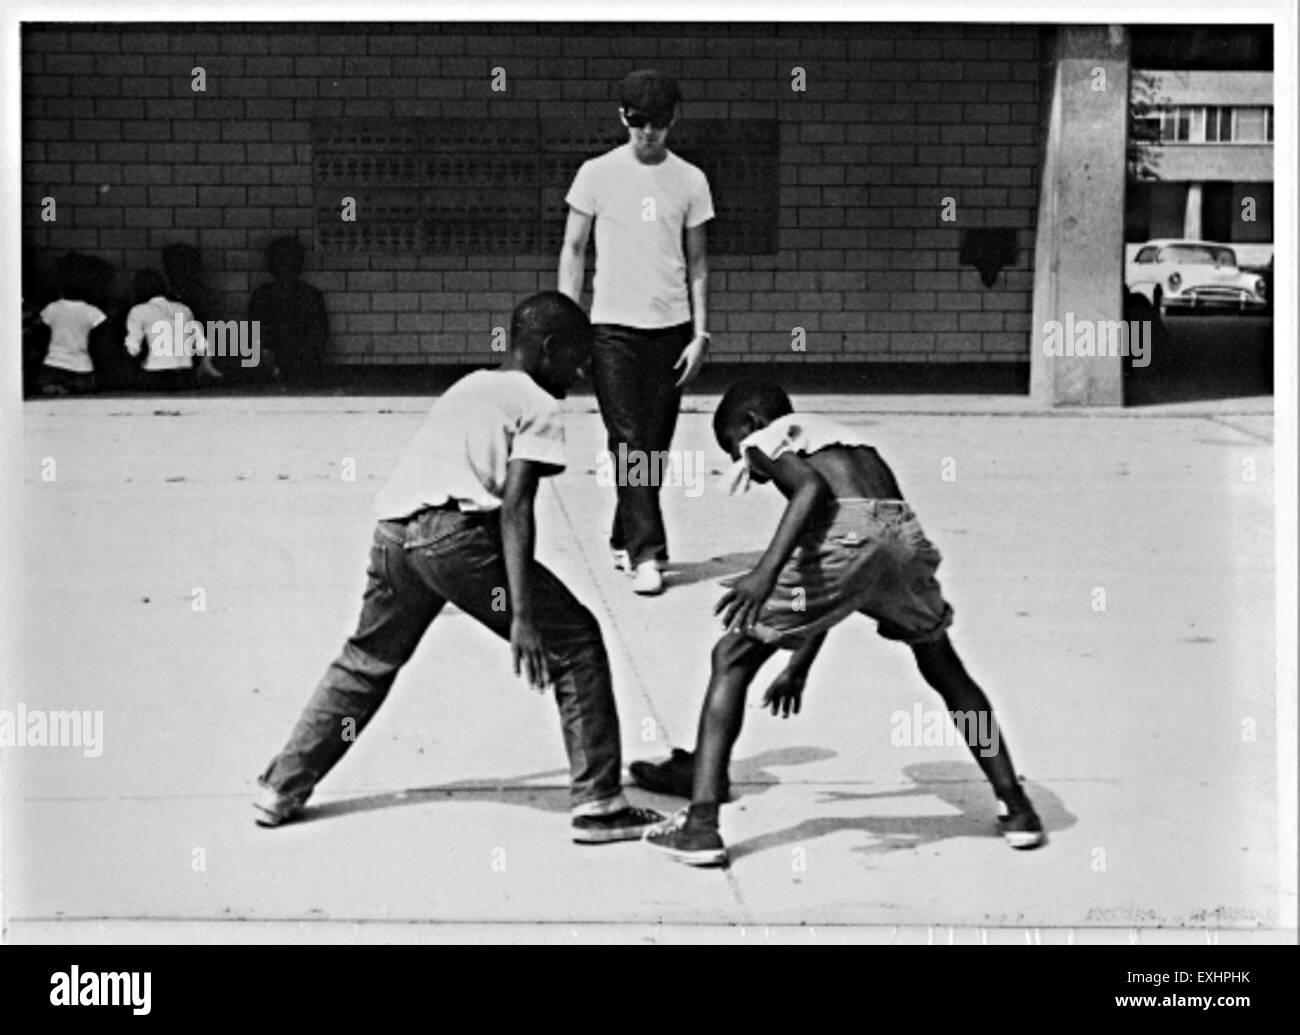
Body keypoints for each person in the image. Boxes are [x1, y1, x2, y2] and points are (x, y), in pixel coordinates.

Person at [254, 292, 664, 845]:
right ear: (547, 349)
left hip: (395, 537)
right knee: (577, 641)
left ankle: (280, 787)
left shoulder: (470, 386)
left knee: (367, 660)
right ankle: (598, 804)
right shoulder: (538, 402)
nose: (582, 370)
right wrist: (522, 615)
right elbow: (517, 506)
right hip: (455, 541)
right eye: (575, 356)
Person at [636, 379, 1046, 865]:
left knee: (731, 656)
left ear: (748, 424)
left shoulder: (767, 436)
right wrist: (799, 666)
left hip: (854, 535)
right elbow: (844, 574)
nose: (739, 463)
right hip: (904, 535)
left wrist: (764, 574)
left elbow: (816, 504)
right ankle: (1016, 807)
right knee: (944, 669)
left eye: (731, 448)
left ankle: (702, 822)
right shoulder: (845, 442)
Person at [558, 69, 714, 596]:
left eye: (660, 123)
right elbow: (574, 250)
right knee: (629, 440)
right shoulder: (596, 174)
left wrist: (701, 333)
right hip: (612, 330)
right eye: (639, 121)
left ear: (675, 120)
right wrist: (568, 322)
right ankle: (650, 554)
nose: (648, 132)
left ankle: (624, 537)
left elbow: (697, 261)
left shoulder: (690, 180)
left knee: (655, 445)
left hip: (670, 330)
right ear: (623, 118)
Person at [248, 236, 329, 382]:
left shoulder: (262, 295)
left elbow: (254, 335)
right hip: (302, 368)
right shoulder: (311, 294)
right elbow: (319, 336)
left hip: (276, 367)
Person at [124, 269, 223, 389]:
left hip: (155, 375)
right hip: (184, 375)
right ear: (166, 288)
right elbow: (202, 344)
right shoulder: (184, 309)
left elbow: (133, 348)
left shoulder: (138, 311)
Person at [36, 252, 109, 395]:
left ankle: (57, 387)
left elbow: (39, 332)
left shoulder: (52, 309)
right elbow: (101, 344)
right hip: (81, 368)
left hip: (53, 366)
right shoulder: (93, 312)